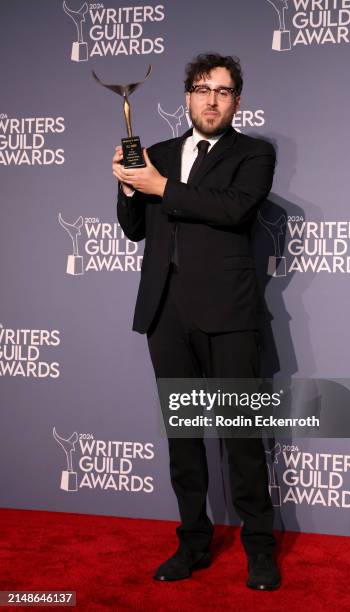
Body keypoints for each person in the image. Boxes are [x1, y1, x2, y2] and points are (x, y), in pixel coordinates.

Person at [113, 53, 280, 591]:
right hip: (167, 314)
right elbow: (137, 230)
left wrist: (159, 186)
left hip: (230, 314)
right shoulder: (157, 153)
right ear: (186, 96)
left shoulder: (254, 154)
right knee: (182, 439)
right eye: (202, 89)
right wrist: (127, 185)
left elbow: (233, 209)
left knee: (242, 438)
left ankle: (259, 547)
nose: (211, 100)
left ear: (237, 101)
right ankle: (192, 544)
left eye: (223, 91)